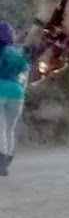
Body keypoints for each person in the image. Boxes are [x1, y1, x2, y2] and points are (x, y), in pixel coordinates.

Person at [0, 22, 32, 176]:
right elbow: (25, 75)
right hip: (17, 93)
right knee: (9, 128)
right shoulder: (19, 53)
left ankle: (1, 159)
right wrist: (22, 91)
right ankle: (8, 156)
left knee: (0, 127)